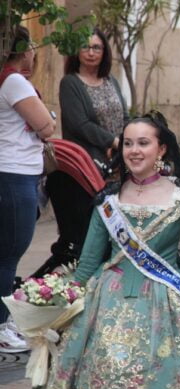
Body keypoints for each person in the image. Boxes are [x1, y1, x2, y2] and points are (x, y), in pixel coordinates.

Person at [18, 114, 180, 389]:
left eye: (143, 143)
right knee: (103, 380)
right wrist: (53, 303)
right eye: (128, 143)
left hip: (169, 307)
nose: (134, 151)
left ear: (162, 149)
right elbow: (89, 264)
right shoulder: (107, 201)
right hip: (105, 303)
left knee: (165, 385)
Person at [44, 28, 128, 274]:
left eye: (97, 48)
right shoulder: (70, 83)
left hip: (116, 164)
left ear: (105, 52)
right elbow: (80, 124)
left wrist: (127, 141)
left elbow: (123, 115)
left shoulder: (111, 80)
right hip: (87, 167)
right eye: (86, 47)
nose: (91, 53)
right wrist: (112, 142)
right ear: (76, 52)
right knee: (88, 233)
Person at [0, 27, 56, 351]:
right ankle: (2, 326)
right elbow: (46, 126)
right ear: (24, 49)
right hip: (15, 176)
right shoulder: (14, 81)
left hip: (14, 175)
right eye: (32, 46)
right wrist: (46, 117)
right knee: (9, 254)